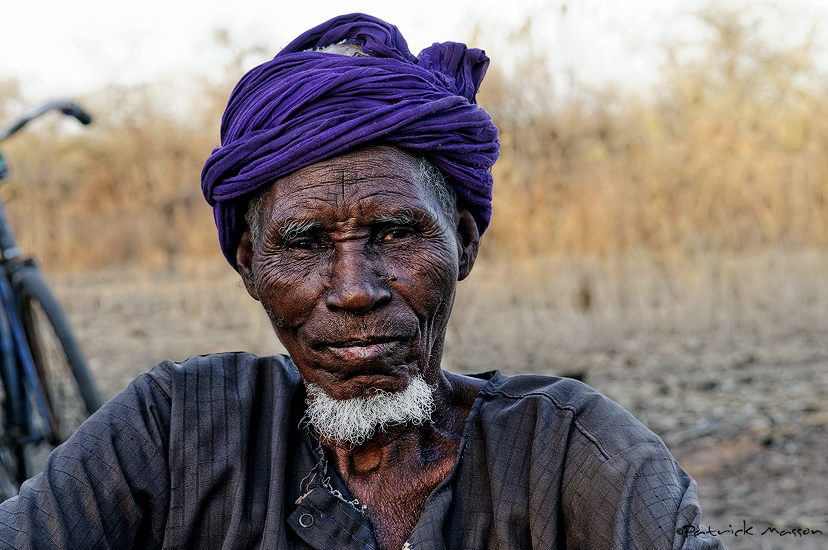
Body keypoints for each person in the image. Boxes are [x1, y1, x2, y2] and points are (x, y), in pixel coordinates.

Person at [0, 13, 725, 550]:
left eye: (397, 233)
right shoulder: (175, 431)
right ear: (248, 263)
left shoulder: (568, 451)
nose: (353, 289)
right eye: (306, 242)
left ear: (465, 244)